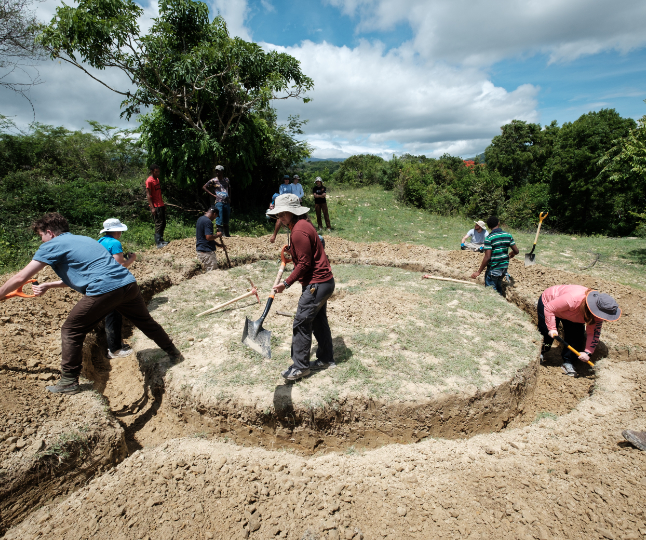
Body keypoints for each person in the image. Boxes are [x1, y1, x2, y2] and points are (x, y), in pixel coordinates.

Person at [0, 213, 180, 395]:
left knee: (71, 330)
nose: (42, 240)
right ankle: (173, 352)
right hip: (127, 284)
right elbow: (89, 273)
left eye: (41, 235)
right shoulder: (84, 240)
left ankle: (69, 381)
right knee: (145, 321)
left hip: (105, 289)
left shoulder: (51, 245)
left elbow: (21, 277)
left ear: (50, 233)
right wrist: (49, 285)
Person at [267, 194, 335, 381]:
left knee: (301, 322)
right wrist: (294, 252)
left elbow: (304, 264)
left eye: (282, 213)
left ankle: (300, 367)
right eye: (278, 214)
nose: (279, 216)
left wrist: (286, 283)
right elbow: (311, 250)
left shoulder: (298, 231)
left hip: (316, 284)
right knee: (318, 321)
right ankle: (326, 359)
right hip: (324, 282)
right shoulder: (302, 225)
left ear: (292, 211)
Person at [537, 285, 621, 377]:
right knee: (546, 333)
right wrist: (552, 328)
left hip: (571, 314)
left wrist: (588, 352)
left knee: (576, 337)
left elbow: (593, 333)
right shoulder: (573, 299)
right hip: (550, 304)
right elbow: (550, 308)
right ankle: (542, 351)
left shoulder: (597, 315)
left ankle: (568, 362)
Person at [98, 218, 137, 359]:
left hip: (101, 282)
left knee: (112, 314)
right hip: (112, 283)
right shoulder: (115, 243)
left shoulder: (101, 241)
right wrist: (131, 260)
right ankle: (114, 350)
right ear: (115, 230)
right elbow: (118, 266)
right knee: (113, 316)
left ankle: (116, 343)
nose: (121, 232)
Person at [470, 216, 518, 295]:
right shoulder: (508, 235)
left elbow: (487, 257)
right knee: (498, 286)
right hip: (503, 269)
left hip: (493, 269)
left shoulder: (489, 238)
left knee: (491, 292)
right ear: (498, 223)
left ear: (488, 227)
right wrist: (512, 253)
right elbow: (516, 251)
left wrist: (478, 272)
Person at [202, 165, 232, 237]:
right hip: (219, 202)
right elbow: (204, 187)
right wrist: (213, 195)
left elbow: (229, 188)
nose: (217, 172)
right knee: (219, 217)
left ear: (222, 171)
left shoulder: (226, 180)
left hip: (226, 202)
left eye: (219, 171)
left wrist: (229, 197)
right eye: (216, 171)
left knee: (226, 217)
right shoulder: (213, 180)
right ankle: (220, 234)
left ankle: (227, 234)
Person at [145, 164, 168, 249]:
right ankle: (158, 242)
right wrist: (152, 208)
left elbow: (159, 194)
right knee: (158, 223)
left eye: (159, 172)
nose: (158, 173)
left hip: (160, 204)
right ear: (152, 171)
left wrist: (163, 204)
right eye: (156, 172)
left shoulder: (157, 179)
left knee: (163, 223)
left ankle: (161, 239)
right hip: (155, 206)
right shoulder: (149, 181)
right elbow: (148, 195)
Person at [196, 206, 222, 271]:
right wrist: (217, 235)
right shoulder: (208, 221)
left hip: (201, 250)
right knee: (212, 273)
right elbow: (208, 237)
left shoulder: (200, 219)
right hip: (207, 252)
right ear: (214, 214)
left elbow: (204, 237)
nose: (215, 218)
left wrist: (218, 244)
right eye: (216, 216)